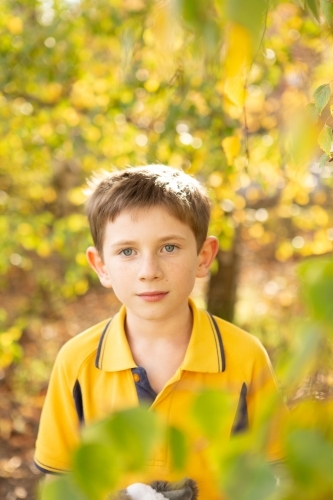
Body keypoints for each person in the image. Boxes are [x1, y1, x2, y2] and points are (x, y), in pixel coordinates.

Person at [34, 165, 287, 499]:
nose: (149, 272)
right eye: (127, 251)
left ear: (203, 256)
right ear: (101, 266)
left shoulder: (245, 356)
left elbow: (275, 475)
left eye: (169, 247)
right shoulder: (76, 362)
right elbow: (59, 481)